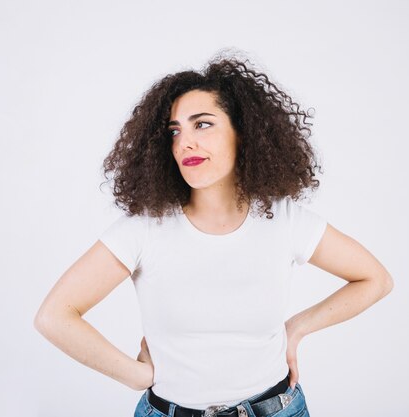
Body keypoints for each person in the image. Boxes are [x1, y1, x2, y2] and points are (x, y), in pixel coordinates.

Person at [33, 53, 394, 417]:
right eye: (175, 131)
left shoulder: (285, 220)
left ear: (244, 132)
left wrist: (297, 328)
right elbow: (55, 316)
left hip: (276, 409)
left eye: (202, 125)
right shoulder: (143, 229)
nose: (184, 143)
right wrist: (135, 375)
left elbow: (375, 279)